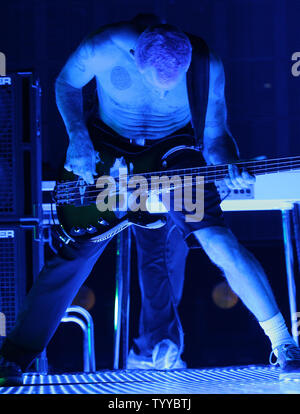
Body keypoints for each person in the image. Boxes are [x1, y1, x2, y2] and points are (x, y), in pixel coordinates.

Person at [1, 13, 300, 386]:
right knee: (73, 256)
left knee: (219, 241)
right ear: (135, 59)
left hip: (175, 159)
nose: (163, 93)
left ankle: (284, 343)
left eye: (172, 85)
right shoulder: (104, 46)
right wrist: (77, 137)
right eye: (156, 85)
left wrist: (228, 164)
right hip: (108, 156)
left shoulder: (205, 63)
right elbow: (66, 83)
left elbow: (215, 135)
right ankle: (14, 356)